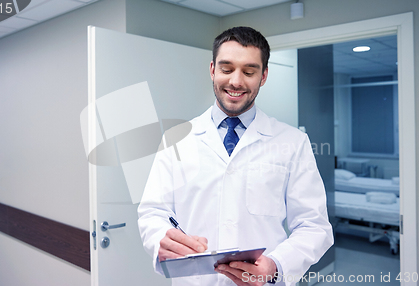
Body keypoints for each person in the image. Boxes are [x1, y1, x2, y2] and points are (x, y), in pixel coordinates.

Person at [138, 26, 333, 286]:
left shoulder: (293, 142)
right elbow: (153, 212)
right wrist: (160, 238)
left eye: (249, 71)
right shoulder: (176, 139)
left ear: (263, 76)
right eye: (227, 69)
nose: (236, 81)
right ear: (212, 70)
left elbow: (314, 226)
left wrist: (276, 266)